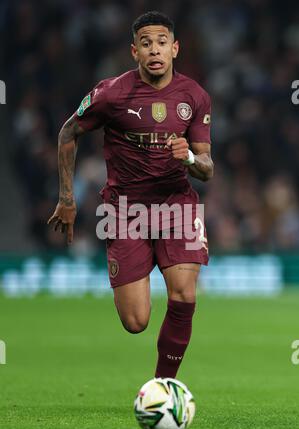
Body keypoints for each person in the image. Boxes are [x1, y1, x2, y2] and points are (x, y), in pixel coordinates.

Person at [48, 11, 213, 379]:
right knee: (136, 321)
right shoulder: (111, 94)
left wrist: (187, 157)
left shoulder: (195, 96)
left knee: (184, 295)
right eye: (145, 43)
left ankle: (164, 387)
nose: (154, 50)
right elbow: (67, 133)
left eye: (161, 43)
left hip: (176, 206)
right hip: (125, 212)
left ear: (175, 48)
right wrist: (67, 198)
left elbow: (207, 167)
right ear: (134, 51)